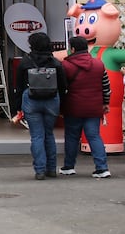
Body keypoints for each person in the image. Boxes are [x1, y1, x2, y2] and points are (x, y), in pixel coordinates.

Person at [58, 35, 112, 178]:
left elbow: (62, 88)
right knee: (94, 136)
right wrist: (106, 103)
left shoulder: (66, 65)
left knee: (71, 137)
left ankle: (69, 166)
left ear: (73, 49)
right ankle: (102, 168)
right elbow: (106, 86)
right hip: (94, 107)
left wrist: (60, 107)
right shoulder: (99, 64)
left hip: (73, 107)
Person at [17, 32, 67, 180]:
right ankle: (51, 169)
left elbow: (18, 86)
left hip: (31, 100)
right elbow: (63, 85)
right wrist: (61, 103)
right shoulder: (56, 62)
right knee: (49, 134)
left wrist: (17, 106)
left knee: (37, 136)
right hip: (52, 100)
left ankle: (39, 170)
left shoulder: (25, 62)